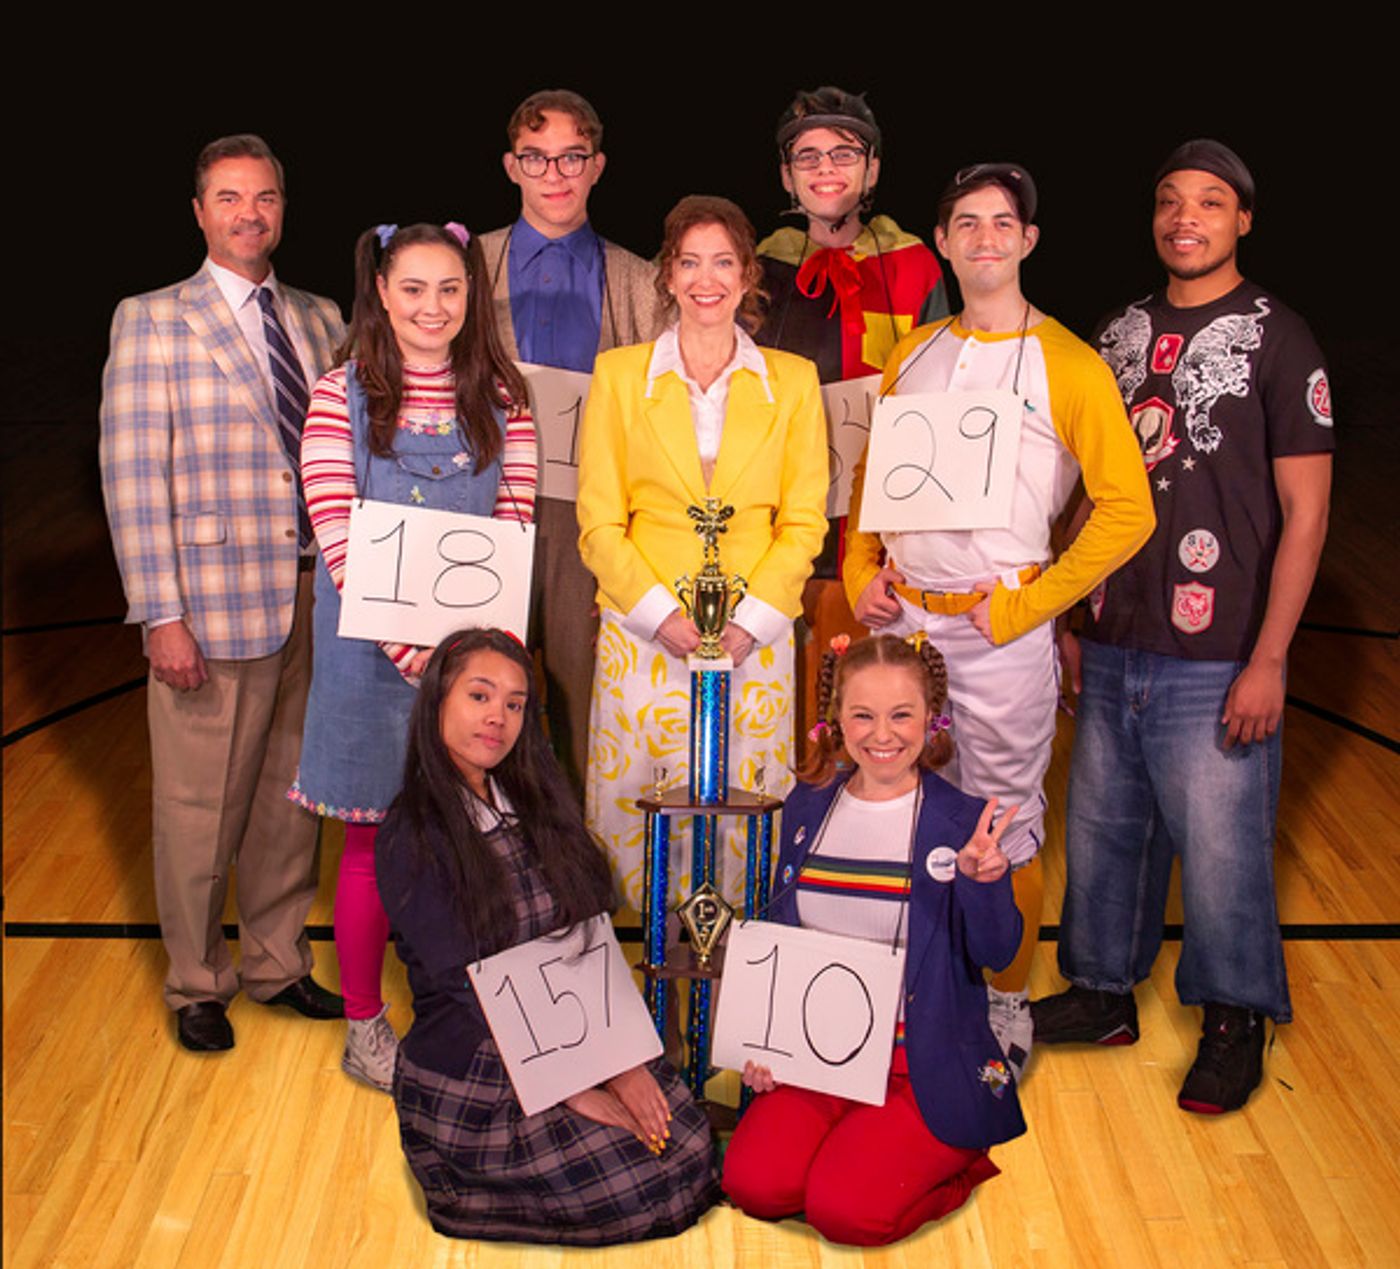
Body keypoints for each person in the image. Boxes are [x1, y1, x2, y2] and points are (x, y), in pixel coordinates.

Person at [1032, 140, 1333, 1115]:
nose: (1183, 217)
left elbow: (1308, 514)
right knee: (1103, 827)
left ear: (1241, 219)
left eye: (1208, 202)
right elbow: (1082, 488)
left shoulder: (1278, 339)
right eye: (1167, 201)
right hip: (1116, 630)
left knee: (1220, 844)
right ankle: (1099, 992)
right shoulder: (1117, 334)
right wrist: (1069, 615)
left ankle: (1234, 1018)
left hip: (1219, 648)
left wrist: (1271, 658)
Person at [843, 163, 1155, 1079]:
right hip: (907, 629)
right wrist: (863, 568)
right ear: (941, 241)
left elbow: (1127, 508)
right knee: (898, 810)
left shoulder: (1068, 360)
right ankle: (919, 985)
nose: (984, 237)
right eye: (966, 223)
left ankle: (1008, 1004)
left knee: (1001, 822)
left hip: (999, 631)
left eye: (1002, 222)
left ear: (1028, 240)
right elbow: (873, 484)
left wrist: (1029, 602)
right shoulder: (916, 350)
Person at [100, 134, 346, 1052]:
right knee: (201, 809)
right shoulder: (154, 319)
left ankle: (278, 962)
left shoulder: (321, 317)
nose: (251, 214)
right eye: (230, 198)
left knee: (293, 801)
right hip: (210, 606)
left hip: (316, 597)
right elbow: (131, 475)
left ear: (283, 207)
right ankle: (198, 981)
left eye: (266, 198)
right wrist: (160, 612)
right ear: (200, 212)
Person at [289, 223, 537, 1092]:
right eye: (414, 289)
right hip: (367, 657)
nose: (433, 307)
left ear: (470, 298)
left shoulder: (500, 393)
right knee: (369, 842)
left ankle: (475, 1010)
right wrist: (414, 649)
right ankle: (365, 1023)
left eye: (450, 290)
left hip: (466, 660)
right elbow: (335, 528)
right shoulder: (340, 393)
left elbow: (516, 520)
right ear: (382, 295)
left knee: (471, 843)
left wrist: (473, 657)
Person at [377, 629, 720, 1243]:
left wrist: (622, 1064)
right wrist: (577, 1084)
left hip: (569, 1034)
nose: (497, 718)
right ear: (436, 703)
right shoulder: (412, 831)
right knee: (637, 1181)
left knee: (688, 1145)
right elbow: (467, 990)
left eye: (514, 704)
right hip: (484, 1058)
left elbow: (588, 944)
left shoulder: (534, 803)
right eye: (479, 696)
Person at [722, 634, 1025, 1246]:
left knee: (846, 1213)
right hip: (819, 1058)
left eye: (901, 714)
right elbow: (785, 937)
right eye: (862, 714)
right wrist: (765, 1042)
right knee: (753, 1186)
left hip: (921, 1066)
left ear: (930, 718)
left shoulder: (963, 821)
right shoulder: (807, 806)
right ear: (836, 720)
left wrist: (983, 882)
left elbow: (998, 952)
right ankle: (856, 1146)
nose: (881, 734)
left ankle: (957, 1161)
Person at [576, 195, 829, 910]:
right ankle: (653, 968)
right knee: (647, 807)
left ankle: (736, 978)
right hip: (644, 631)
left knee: (743, 808)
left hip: (755, 636)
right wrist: (661, 617)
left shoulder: (795, 381)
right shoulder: (620, 376)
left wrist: (750, 623)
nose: (706, 278)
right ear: (667, 275)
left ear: (749, 274)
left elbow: (804, 522)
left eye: (723, 262)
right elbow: (599, 523)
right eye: (690, 262)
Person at [481, 88, 667, 796]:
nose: (554, 173)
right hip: (484, 511)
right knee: (479, 700)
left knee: (589, 700)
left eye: (571, 157)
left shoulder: (642, 282)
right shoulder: (465, 269)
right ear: (511, 166)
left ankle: (590, 877)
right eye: (536, 157)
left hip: (589, 520)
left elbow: (660, 421)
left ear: (597, 166)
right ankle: (490, 869)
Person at [755, 86, 947, 384]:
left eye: (844, 155)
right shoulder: (760, 270)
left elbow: (940, 380)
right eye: (807, 157)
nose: (825, 168)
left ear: (871, 171)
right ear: (787, 177)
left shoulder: (913, 265)